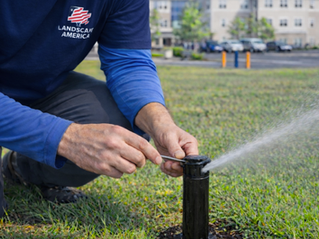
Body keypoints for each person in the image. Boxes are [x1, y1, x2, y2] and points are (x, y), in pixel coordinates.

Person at [0, 1, 198, 217]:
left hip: (38, 88)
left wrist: (160, 122)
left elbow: (128, 62)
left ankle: (20, 169)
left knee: (122, 120)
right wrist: (66, 138)